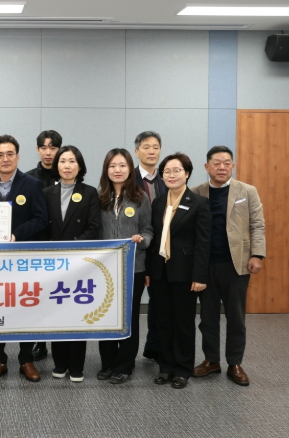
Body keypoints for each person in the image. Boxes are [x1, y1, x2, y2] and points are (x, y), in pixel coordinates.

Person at [191, 146, 266, 386]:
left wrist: (257, 255)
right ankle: (211, 360)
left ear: (232, 166)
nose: (221, 167)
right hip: (205, 266)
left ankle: (235, 362)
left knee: (236, 317)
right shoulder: (195, 192)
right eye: (216, 163)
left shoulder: (247, 191)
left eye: (226, 163)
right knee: (208, 317)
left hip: (237, 264)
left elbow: (257, 225)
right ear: (207, 167)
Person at [0, 134, 48, 383]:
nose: (5, 159)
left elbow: (41, 219)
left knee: (26, 307)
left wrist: (16, 235)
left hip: (23, 257)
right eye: (0, 155)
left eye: (10, 154)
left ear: (17, 156)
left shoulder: (32, 184)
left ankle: (26, 359)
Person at [148, 152, 211, 389]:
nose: (171, 175)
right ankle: (165, 367)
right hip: (160, 272)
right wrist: (149, 271)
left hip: (185, 273)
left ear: (187, 174)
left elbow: (203, 243)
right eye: (167, 171)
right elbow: (155, 239)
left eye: (177, 170)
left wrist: (200, 276)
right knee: (162, 320)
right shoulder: (158, 203)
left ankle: (183, 369)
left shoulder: (199, 203)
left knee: (183, 322)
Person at [42, 145, 100, 383]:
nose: (67, 165)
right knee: (57, 311)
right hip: (53, 264)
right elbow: (42, 226)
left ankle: (76, 365)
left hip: (79, 263)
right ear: (57, 166)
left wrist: (73, 247)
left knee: (77, 313)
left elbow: (94, 227)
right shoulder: (47, 193)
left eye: (72, 161)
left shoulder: (90, 192)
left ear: (80, 166)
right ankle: (59, 362)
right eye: (63, 161)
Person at [95, 149, 153, 384]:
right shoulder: (99, 197)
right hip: (104, 269)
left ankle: (125, 364)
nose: (117, 170)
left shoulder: (140, 197)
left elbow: (148, 229)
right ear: (106, 170)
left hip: (133, 267)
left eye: (122, 165)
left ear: (130, 169)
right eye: (112, 166)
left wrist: (142, 239)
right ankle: (107, 363)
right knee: (106, 315)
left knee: (129, 317)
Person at [26, 130, 62, 361]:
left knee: (57, 295)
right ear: (37, 149)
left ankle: (59, 340)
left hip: (61, 244)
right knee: (36, 296)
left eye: (53, 148)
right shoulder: (29, 179)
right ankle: (38, 342)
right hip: (36, 245)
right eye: (44, 148)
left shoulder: (68, 174)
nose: (48, 153)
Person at [133, 131, 167, 361]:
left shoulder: (168, 179)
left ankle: (154, 347)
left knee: (160, 303)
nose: (151, 151)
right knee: (132, 306)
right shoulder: (127, 179)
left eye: (155, 147)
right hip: (136, 251)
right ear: (137, 152)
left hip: (161, 252)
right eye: (146, 147)